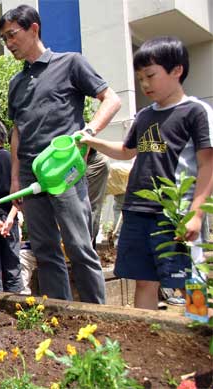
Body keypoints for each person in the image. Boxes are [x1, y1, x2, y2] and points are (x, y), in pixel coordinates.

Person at [79, 36, 213, 310]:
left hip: (175, 211)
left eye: (150, 75)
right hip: (137, 209)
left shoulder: (196, 112)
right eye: (140, 78)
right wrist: (91, 140)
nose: (145, 84)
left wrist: (196, 215)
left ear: (177, 70)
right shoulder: (143, 116)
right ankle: (148, 335)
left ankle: (198, 338)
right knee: (143, 280)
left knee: (191, 278)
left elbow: (207, 165)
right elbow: (127, 151)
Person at [0, 5, 121, 303]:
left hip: (64, 171)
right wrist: (15, 180)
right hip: (30, 176)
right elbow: (17, 131)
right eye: (4, 39)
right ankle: (60, 315)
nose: (9, 43)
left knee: (79, 245)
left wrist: (89, 130)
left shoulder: (70, 63)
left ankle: (99, 316)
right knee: (44, 249)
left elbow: (111, 99)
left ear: (34, 29)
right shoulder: (15, 83)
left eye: (12, 35)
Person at [0, 118, 23, 292]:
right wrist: (10, 218)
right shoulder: (12, 158)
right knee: (13, 268)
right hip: (9, 219)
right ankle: (17, 310)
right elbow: (19, 193)